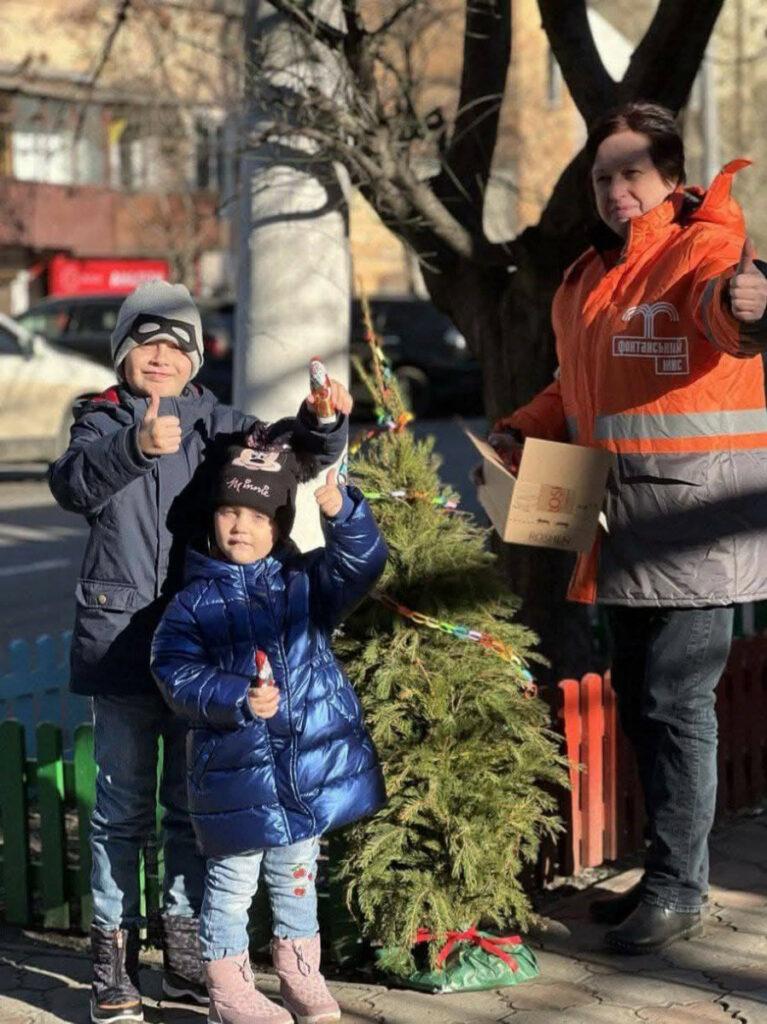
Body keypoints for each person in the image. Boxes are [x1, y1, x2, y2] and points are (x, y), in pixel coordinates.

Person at [488, 102, 767, 954]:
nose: (615, 190)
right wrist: (521, 427)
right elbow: (578, 388)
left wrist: (748, 305)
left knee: (676, 702)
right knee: (641, 705)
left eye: (631, 173)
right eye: (602, 176)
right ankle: (665, 869)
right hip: (620, 520)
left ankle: (682, 888)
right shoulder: (586, 276)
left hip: (695, 520)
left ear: (670, 176)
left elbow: (729, 316)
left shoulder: (702, 249)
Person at [48, 281, 351, 1023]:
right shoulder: (99, 420)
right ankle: (112, 961)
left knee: (192, 810)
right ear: (123, 353)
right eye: (145, 343)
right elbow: (72, 486)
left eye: (175, 345)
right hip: (122, 644)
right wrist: (131, 448)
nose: (160, 356)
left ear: (195, 358)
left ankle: (186, 953)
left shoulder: (222, 426)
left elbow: (295, 456)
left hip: (207, 654)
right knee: (121, 811)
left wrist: (326, 424)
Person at [151, 433, 388, 1024]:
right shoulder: (192, 602)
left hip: (301, 772)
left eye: (258, 516)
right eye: (230, 512)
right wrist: (236, 697)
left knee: (298, 880)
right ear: (213, 519)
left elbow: (362, 565)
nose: (241, 526)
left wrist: (343, 513)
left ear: (279, 525)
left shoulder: (303, 586)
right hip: (235, 779)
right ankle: (228, 991)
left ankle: (300, 975)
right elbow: (174, 670)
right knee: (231, 887)